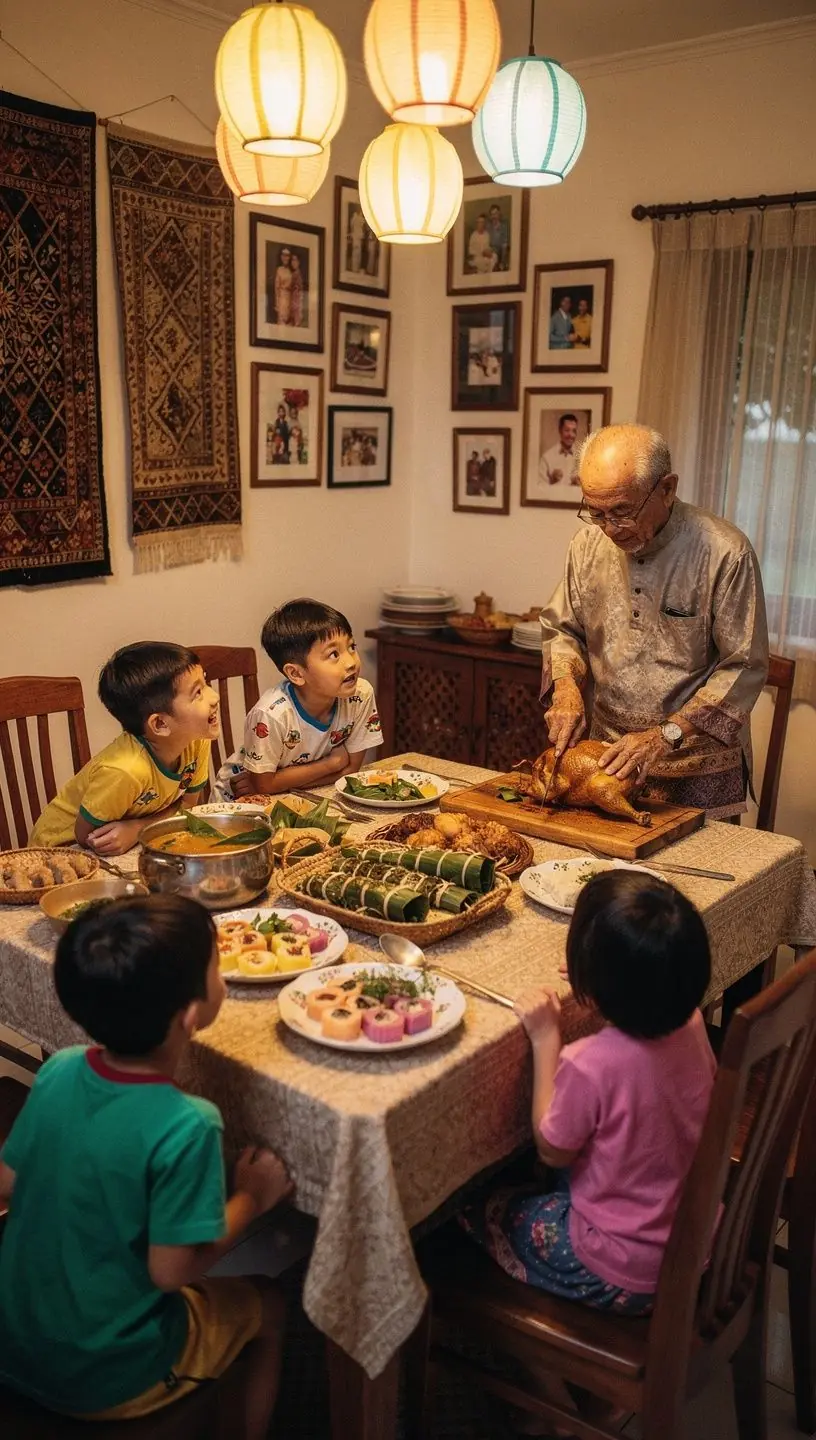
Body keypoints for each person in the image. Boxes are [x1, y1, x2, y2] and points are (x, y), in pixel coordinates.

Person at [0, 894, 290, 1435]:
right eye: (216, 968)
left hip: (16, 1338)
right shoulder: (189, 1122)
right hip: (111, 1373)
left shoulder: (60, 1068)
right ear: (191, 1015)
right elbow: (171, 1271)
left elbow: (9, 1182)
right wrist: (252, 1197)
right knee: (272, 1305)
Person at [460, 870, 715, 1430]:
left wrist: (549, 1037)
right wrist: (611, 978)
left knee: (464, 1214)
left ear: (591, 985)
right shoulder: (694, 1022)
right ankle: (591, 1394)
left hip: (617, 1267)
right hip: (693, 1245)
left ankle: (557, 1404)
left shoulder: (591, 1062)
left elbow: (552, 1147)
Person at [540, 423, 769, 816]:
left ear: (667, 488)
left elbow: (744, 665)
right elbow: (563, 629)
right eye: (595, 512)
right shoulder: (586, 546)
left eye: (622, 512)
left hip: (694, 769)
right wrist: (565, 687)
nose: (610, 529)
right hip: (606, 764)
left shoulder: (725, 553)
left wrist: (666, 735)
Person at [29, 643, 218, 856]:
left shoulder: (196, 740)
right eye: (198, 693)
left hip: (127, 843)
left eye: (206, 681)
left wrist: (138, 828)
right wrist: (141, 828)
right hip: (57, 852)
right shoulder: (124, 770)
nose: (215, 697)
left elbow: (187, 808)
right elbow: (87, 837)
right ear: (160, 725)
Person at [214, 598, 383, 800]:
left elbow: (351, 772)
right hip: (237, 803)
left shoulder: (360, 694)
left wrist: (280, 784)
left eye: (351, 646)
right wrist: (331, 765)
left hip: (300, 796)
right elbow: (264, 785)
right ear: (296, 674)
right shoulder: (271, 715)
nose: (351, 662)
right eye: (333, 654)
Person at [538, 413, 580, 488]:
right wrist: (552, 480)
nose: (571, 435)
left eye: (574, 431)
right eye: (567, 430)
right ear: (560, 431)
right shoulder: (547, 457)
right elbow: (540, 488)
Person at [487, 202, 509, 270]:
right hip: (488, 253)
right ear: (490, 216)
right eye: (492, 214)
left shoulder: (503, 227)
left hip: (498, 254)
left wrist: (502, 262)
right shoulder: (488, 227)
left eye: (496, 214)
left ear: (499, 214)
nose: (494, 217)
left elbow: (504, 246)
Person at [274, 246, 293, 325]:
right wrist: (277, 303)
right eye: (284, 256)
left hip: (291, 297)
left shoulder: (291, 270)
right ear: (281, 257)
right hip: (282, 298)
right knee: (282, 320)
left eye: (287, 256)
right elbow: (276, 287)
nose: (285, 258)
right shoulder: (279, 269)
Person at [348, 206, 365, 272]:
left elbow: (352, 225)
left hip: (357, 236)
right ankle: (354, 268)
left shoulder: (356, 218)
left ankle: (356, 268)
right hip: (356, 235)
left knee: (357, 252)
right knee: (356, 251)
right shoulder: (356, 218)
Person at [289, 253, 304, 327]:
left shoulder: (297, 274)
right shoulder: (293, 274)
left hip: (296, 302)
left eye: (295, 260)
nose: (293, 262)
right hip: (293, 301)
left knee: (296, 322)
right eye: (292, 260)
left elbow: (299, 291)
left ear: (299, 262)